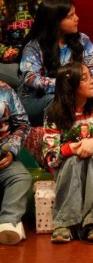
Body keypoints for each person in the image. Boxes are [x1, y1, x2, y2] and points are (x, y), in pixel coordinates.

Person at [42, 62, 93, 243]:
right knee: (73, 160)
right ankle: (64, 222)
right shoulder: (53, 114)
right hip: (68, 168)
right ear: (71, 87)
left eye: (90, 76)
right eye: (84, 78)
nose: (92, 81)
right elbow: (50, 157)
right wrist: (70, 149)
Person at [19, 0, 93, 127]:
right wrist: (68, 85)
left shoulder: (83, 40)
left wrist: (80, 84)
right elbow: (31, 80)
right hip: (37, 99)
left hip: (73, 93)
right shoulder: (34, 47)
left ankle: (91, 131)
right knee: (58, 101)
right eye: (70, 16)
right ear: (55, 21)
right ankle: (58, 136)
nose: (77, 18)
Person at [0, 0, 50, 88]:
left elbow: (54, 30)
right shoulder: (1, 1)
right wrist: (15, 54)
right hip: (10, 62)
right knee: (24, 79)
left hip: (40, 58)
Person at [0, 82, 31, 245]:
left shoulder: (5, 90)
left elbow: (22, 124)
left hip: (2, 155)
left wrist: (11, 150)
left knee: (21, 178)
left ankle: (8, 222)